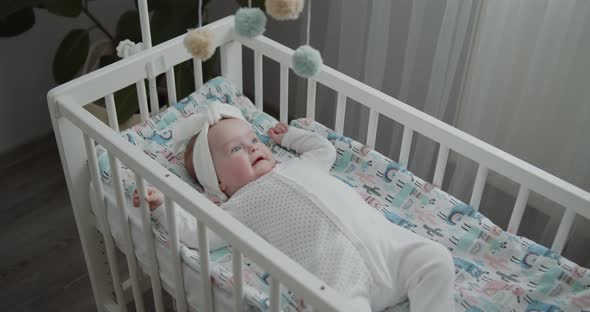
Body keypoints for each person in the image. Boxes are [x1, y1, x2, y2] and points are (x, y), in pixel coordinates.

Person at [133, 102, 456, 312]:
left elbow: (324, 150)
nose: (253, 147)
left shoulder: (300, 166)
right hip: (342, 278)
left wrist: (290, 137)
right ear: (219, 182)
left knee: (435, 258)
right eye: (236, 149)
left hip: (390, 249)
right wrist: (161, 206)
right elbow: (195, 234)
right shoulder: (237, 207)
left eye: (253, 140)